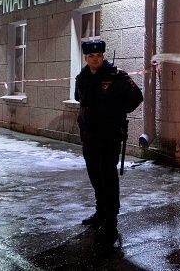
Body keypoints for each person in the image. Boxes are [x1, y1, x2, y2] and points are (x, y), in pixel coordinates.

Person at [74, 39, 143, 246]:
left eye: (98, 56)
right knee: (94, 174)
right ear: (86, 58)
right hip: (89, 134)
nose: (95, 59)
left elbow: (136, 97)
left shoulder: (116, 76)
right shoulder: (83, 77)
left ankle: (111, 220)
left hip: (109, 134)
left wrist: (116, 111)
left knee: (108, 176)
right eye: (91, 56)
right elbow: (79, 98)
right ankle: (100, 211)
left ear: (103, 56)